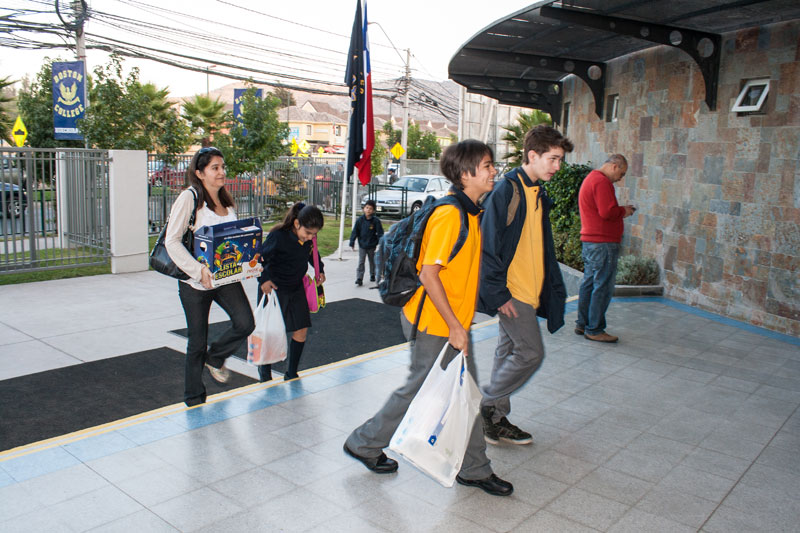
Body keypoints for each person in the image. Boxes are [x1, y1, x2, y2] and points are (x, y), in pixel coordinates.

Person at [344, 139, 514, 497]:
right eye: (486, 166)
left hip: (449, 322)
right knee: (425, 390)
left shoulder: (471, 212)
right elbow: (428, 274)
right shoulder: (451, 215)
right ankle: (365, 442)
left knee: (462, 393)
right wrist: (455, 326)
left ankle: (473, 468)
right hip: (434, 323)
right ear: (466, 174)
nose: (493, 171)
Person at [477, 125, 572, 445]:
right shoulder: (506, 191)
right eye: (553, 159)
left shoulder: (537, 192)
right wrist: (498, 294)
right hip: (512, 293)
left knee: (508, 352)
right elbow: (487, 246)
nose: (558, 166)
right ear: (533, 155)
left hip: (530, 290)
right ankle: (487, 405)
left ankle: (495, 420)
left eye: (560, 160)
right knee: (531, 353)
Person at [165, 146, 255, 407]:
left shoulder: (226, 201)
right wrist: (198, 270)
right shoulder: (189, 199)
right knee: (197, 341)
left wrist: (245, 266)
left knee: (245, 323)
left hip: (225, 279)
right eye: (215, 168)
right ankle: (194, 398)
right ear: (200, 173)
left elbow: (233, 242)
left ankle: (215, 358)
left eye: (222, 167)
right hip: (195, 283)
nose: (221, 172)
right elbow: (172, 242)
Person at [254, 202, 325, 382]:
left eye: (314, 234)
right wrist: (264, 280)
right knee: (270, 333)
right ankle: (265, 375)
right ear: (296, 224)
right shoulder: (278, 236)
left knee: (301, 329)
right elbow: (259, 259)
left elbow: (313, 254)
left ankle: (291, 373)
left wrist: (320, 270)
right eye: (307, 233)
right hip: (274, 289)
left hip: (296, 288)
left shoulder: (309, 240)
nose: (310, 237)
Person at [576, 154, 635, 343]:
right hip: (603, 243)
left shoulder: (591, 179)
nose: (621, 178)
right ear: (614, 166)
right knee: (602, 285)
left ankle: (583, 324)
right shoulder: (601, 182)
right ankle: (595, 329)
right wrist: (624, 211)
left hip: (592, 242)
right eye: (622, 173)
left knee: (589, 283)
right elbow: (607, 211)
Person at [349, 199, 384, 286]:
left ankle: (373, 274)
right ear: (364, 209)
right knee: (361, 261)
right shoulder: (360, 220)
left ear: (373, 211)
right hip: (362, 245)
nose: (368, 210)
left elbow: (380, 233)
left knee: (372, 261)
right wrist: (352, 242)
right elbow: (355, 232)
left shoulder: (375, 221)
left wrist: (381, 242)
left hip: (372, 245)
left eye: (370, 208)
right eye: (367, 208)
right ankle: (359, 278)